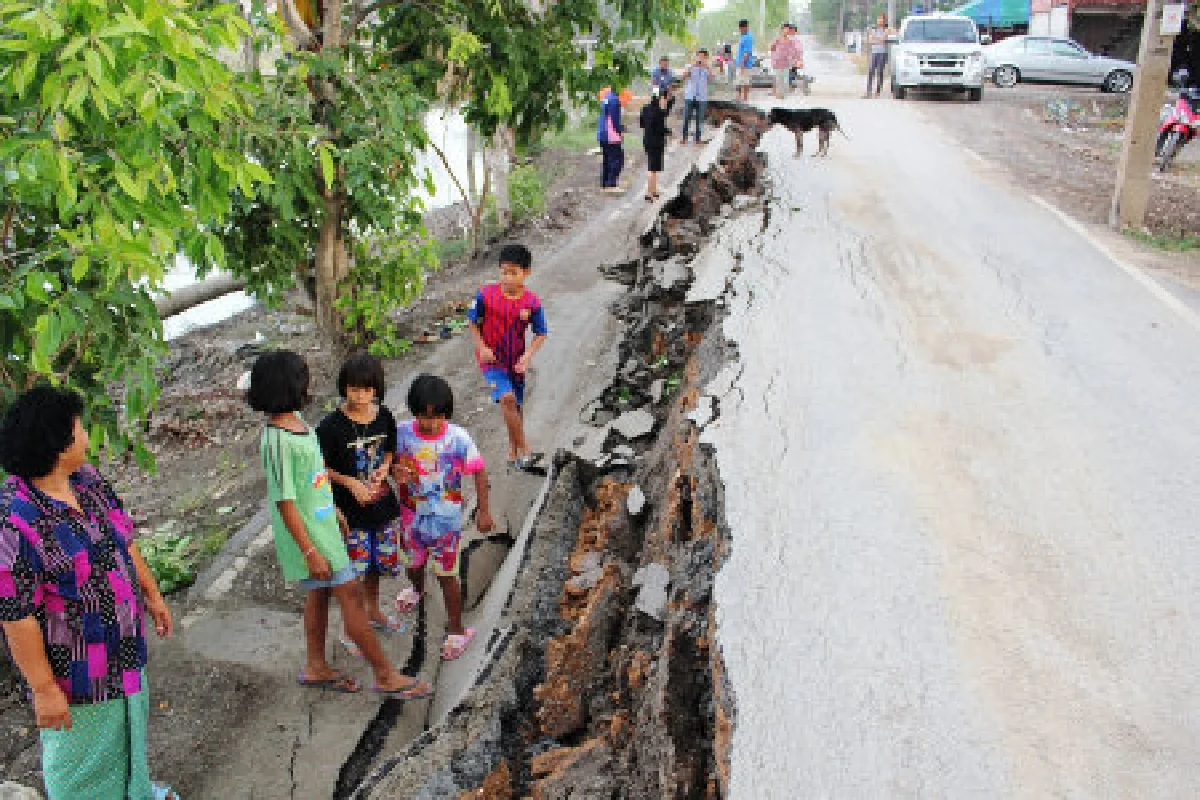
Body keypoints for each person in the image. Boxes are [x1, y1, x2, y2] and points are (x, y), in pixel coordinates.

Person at [0, 386, 178, 799]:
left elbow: (123, 536)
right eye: (78, 428)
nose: (85, 435)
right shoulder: (15, 520)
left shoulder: (86, 480)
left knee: (129, 741)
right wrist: (44, 692)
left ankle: (137, 791)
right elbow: (16, 614)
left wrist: (151, 593)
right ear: (59, 446)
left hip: (125, 653)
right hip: (76, 678)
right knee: (78, 769)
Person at [248, 350, 432, 700]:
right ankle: (386, 674)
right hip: (311, 538)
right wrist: (310, 550)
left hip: (326, 525)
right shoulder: (277, 440)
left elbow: (313, 478)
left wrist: (333, 509)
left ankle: (316, 666)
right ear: (289, 386)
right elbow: (285, 501)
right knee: (350, 595)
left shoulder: (298, 422)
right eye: (302, 377)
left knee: (318, 596)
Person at [390, 375, 494, 661]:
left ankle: (457, 629)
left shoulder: (459, 439)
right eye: (425, 417)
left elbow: (479, 471)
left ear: (447, 414)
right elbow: (388, 466)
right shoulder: (400, 435)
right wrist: (393, 473)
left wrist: (484, 511)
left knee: (448, 576)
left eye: (438, 418)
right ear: (414, 412)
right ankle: (417, 589)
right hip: (411, 521)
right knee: (413, 565)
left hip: (446, 527)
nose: (432, 424)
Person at [317, 352, 406, 656]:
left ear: (376, 389)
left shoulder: (384, 417)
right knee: (351, 571)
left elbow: (391, 450)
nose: (360, 396)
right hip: (349, 513)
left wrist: (385, 468)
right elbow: (320, 469)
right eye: (354, 389)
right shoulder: (330, 427)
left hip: (380, 506)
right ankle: (349, 628)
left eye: (367, 390)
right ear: (344, 388)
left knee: (375, 567)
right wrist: (350, 482)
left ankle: (373, 612)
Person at [467, 243, 549, 472]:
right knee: (507, 399)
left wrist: (527, 356)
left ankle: (513, 453)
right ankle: (526, 451)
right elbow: (472, 321)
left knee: (516, 406)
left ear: (526, 273)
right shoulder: (486, 295)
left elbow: (541, 333)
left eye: (513, 272)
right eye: (503, 271)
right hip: (492, 361)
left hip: (515, 360)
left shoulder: (531, 303)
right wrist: (481, 347)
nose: (507, 277)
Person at [640, 87, 675, 200]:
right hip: (656, 143)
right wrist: (669, 132)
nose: (665, 101)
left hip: (647, 140)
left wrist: (671, 99)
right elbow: (660, 128)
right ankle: (648, 193)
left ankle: (654, 190)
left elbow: (642, 124)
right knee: (652, 169)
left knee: (653, 167)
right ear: (659, 98)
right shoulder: (658, 112)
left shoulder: (645, 109)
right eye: (664, 98)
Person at [596, 87, 632, 193]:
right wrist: (619, 132)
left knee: (607, 159)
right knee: (617, 159)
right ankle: (611, 184)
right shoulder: (615, 101)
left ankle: (605, 184)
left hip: (602, 133)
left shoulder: (606, 97)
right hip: (611, 136)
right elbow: (614, 120)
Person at [681, 49, 711, 146]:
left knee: (700, 119)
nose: (700, 58)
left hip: (702, 97)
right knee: (686, 117)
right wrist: (692, 66)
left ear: (706, 58)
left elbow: (712, 79)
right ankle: (684, 137)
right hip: (690, 95)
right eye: (699, 56)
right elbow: (684, 76)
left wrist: (707, 67)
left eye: (703, 56)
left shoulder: (707, 68)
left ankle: (697, 139)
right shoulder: (690, 66)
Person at [770, 23, 805, 99]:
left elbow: (797, 51)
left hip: (787, 63)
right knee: (778, 79)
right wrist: (775, 56)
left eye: (787, 29)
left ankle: (783, 96)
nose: (786, 31)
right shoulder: (778, 39)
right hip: (777, 63)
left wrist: (799, 61)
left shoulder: (791, 40)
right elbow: (772, 48)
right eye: (784, 29)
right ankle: (778, 96)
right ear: (782, 30)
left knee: (785, 81)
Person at [866, 15, 894, 98]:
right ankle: (869, 91)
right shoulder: (874, 29)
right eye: (879, 19)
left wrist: (877, 39)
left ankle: (878, 91)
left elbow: (884, 39)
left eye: (882, 20)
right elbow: (870, 40)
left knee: (880, 71)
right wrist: (879, 40)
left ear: (884, 21)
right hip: (874, 52)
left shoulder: (887, 29)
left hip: (883, 53)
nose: (880, 21)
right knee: (871, 71)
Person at [735, 19, 754, 102]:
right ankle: (739, 97)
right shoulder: (743, 37)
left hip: (745, 64)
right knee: (739, 81)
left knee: (745, 81)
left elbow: (747, 52)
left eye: (742, 28)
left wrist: (742, 63)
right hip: (740, 63)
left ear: (746, 27)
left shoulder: (748, 37)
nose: (740, 30)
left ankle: (745, 98)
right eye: (740, 29)